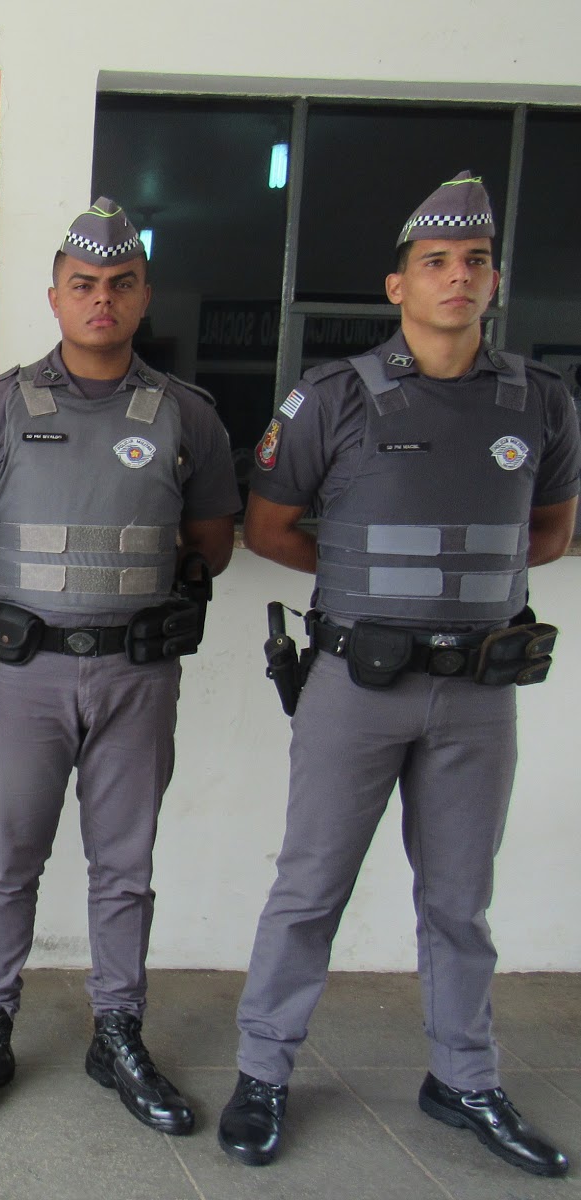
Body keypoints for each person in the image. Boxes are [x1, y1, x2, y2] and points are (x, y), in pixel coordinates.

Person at [218, 171, 577, 1177]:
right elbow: (270, 527)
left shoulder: (538, 402)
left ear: (493, 279)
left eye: (472, 263)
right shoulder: (335, 397)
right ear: (396, 285)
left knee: (459, 902)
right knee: (308, 889)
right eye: (435, 264)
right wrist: (366, 597)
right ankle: (262, 1071)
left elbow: (547, 534)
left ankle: (463, 1077)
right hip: (355, 686)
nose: (455, 278)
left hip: (479, 692)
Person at [0, 199, 238, 1135]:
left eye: (120, 285)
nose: (101, 299)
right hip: (27, 678)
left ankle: (119, 1033)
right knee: (10, 859)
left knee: (125, 865)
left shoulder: (187, 415)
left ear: (143, 296)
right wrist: (26, 608)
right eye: (83, 284)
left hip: (138, 676)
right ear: (55, 295)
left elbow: (212, 544)